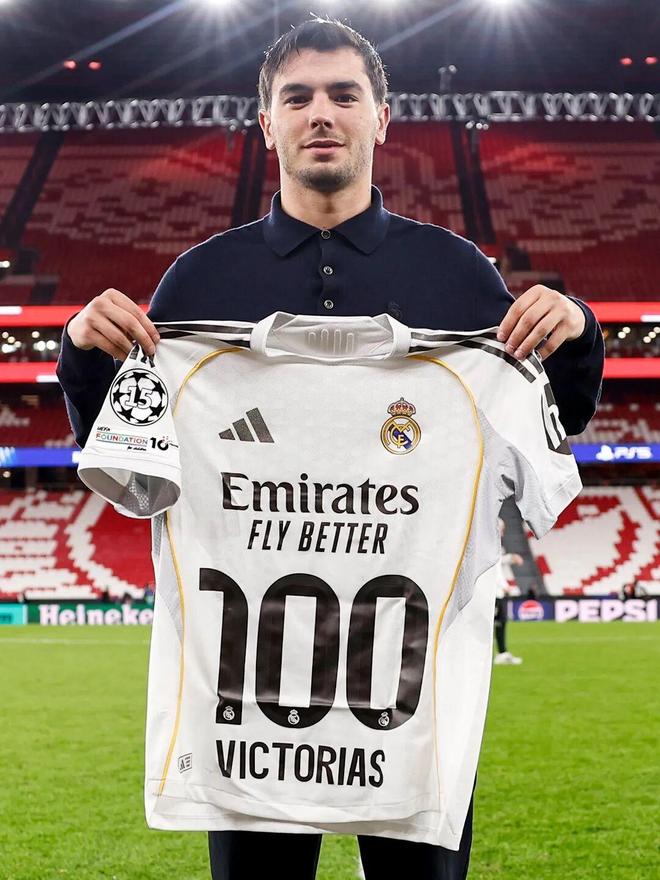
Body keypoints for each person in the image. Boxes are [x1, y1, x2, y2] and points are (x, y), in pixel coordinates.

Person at [56, 15, 604, 880]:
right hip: (249, 709)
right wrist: (83, 356)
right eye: (298, 97)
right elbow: (133, 460)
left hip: (412, 702)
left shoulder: (459, 276)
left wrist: (577, 332)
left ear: (381, 118)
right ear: (265, 121)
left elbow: (553, 424)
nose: (321, 113)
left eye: (344, 95)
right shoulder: (198, 283)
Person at [493, 518, 524, 665]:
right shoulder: (492, 545)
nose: (503, 533)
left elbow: (498, 561)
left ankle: (502, 653)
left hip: (497, 593)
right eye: (502, 529)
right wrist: (504, 586)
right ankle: (501, 653)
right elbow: (494, 567)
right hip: (495, 593)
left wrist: (511, 557)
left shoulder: (493, 545)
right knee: (498, 623)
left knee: (500, 622)